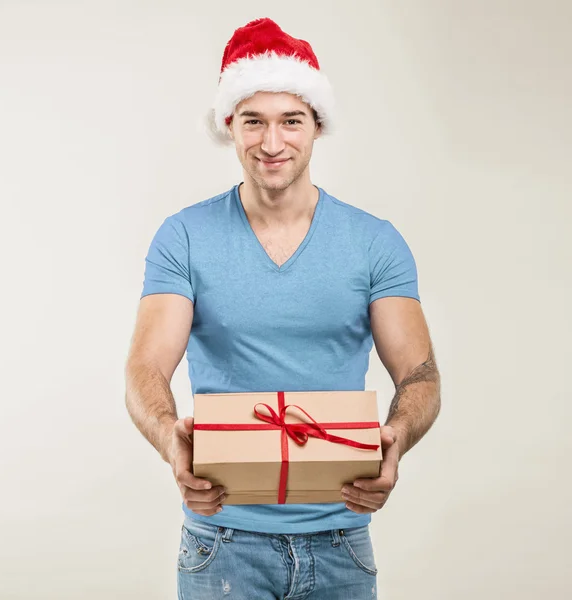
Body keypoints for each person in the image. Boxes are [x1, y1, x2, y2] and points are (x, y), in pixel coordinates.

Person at [124, 17, 441, 600]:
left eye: (291, 121)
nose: (272, 144)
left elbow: (420, 373)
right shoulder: (184, 237)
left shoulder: (375, 242)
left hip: (342, 540)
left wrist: (396, 435)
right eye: (254, 122)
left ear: (316, 125)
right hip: (221, 541)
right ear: (230, 127)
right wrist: (171, 438)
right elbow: (145, 368)